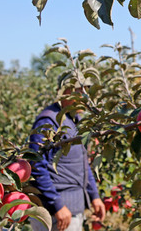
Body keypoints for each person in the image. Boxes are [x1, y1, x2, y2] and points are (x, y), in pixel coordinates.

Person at [29, 75, 105, 231]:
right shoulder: (48, 122)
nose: (83, 96)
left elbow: (82, 164)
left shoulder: (75, 120)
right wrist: (57, 205)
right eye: (77, 90)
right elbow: (36, 165)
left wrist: (94, 196)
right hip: (56, 216)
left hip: (72, 211)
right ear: (63, 92)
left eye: (85, 91)